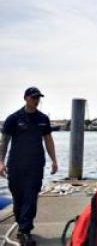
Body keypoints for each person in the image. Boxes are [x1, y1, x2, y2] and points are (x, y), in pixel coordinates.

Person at [0, 87, 58, 245]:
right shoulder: (13, 118)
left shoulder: (43, 119)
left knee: (31, 197)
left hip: (36, 165)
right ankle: (21, 223)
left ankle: (25, 230)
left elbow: (48, 140)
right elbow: (4, 141)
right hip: (16, 164)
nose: (36, 100)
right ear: (25, 98)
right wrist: (1, 162)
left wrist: (54, 160)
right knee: (17, 196)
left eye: (38, 98)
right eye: (33, 97)